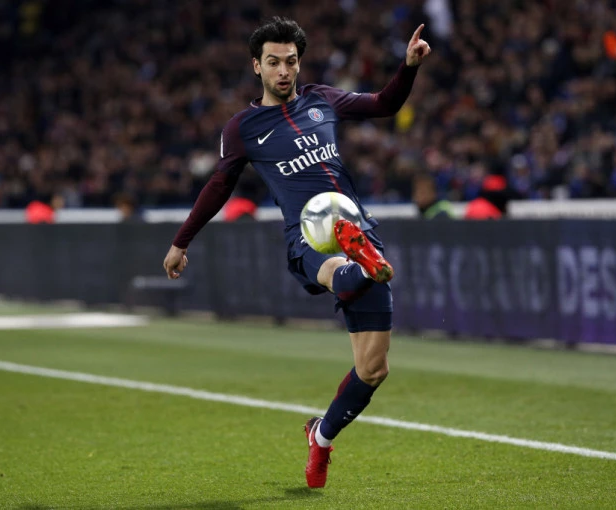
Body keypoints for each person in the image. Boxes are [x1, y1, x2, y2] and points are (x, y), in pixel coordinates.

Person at [163, 17, 430, 488]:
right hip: (306, 235)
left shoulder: (322, 100)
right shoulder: (243, 127)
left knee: (374, 369)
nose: (283, 71)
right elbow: (219, 185)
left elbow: (385, 104)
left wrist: (408, 66)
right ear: (256, 66)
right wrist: (181, 241)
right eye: (273, 62)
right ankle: (359, 262)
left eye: (290, 61)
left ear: (299, 62)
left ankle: (320, 436)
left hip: (358, 227)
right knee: (339, 266)